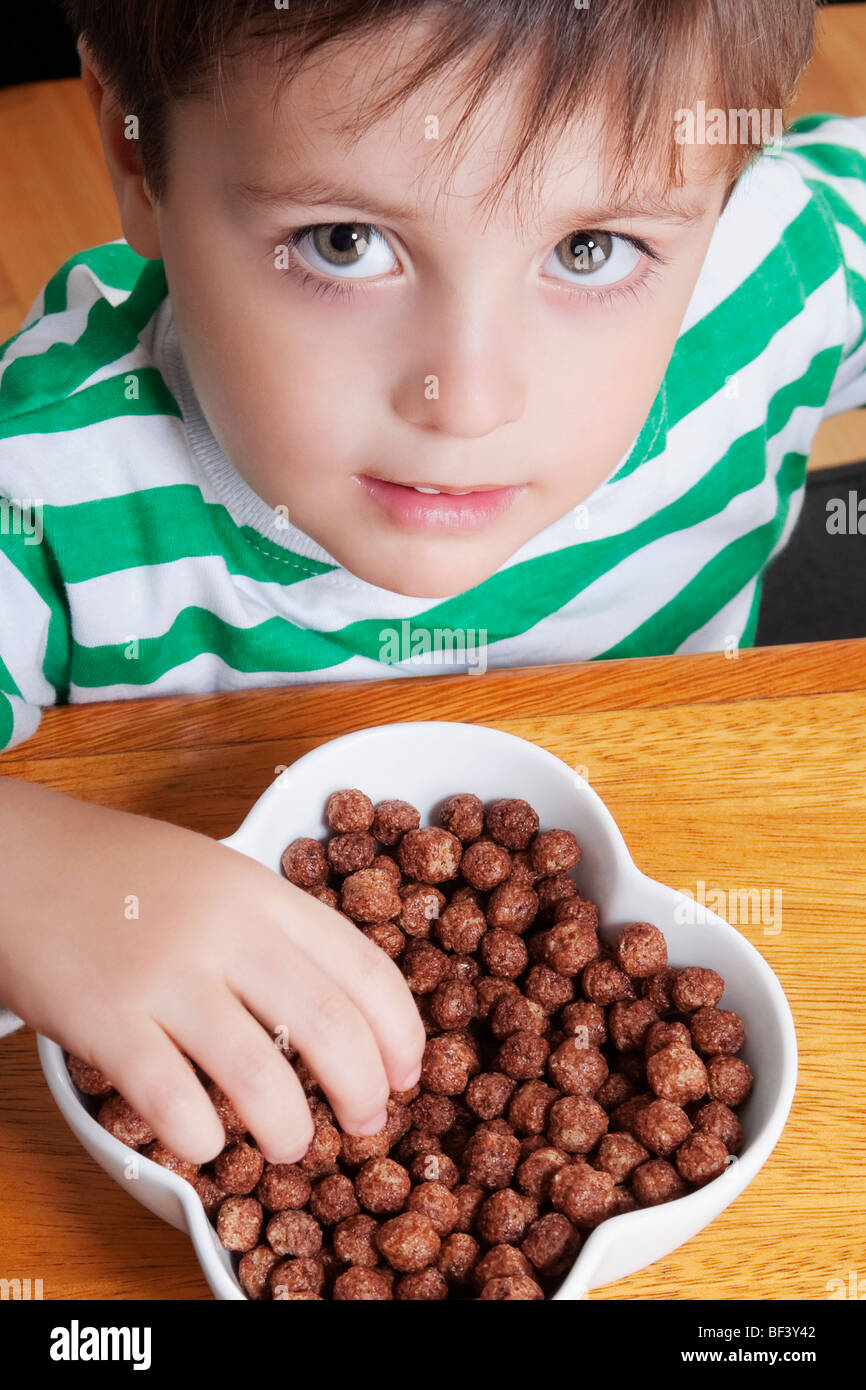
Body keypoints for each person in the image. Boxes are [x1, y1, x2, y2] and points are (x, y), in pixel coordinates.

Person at [0, 0, 859, 1165]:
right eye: (344, 242)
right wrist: (35, 885)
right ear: (137, 154)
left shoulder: (772, 284)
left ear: (724, 185)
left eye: (586, 250)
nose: (468, 399)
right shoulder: (51, 483)